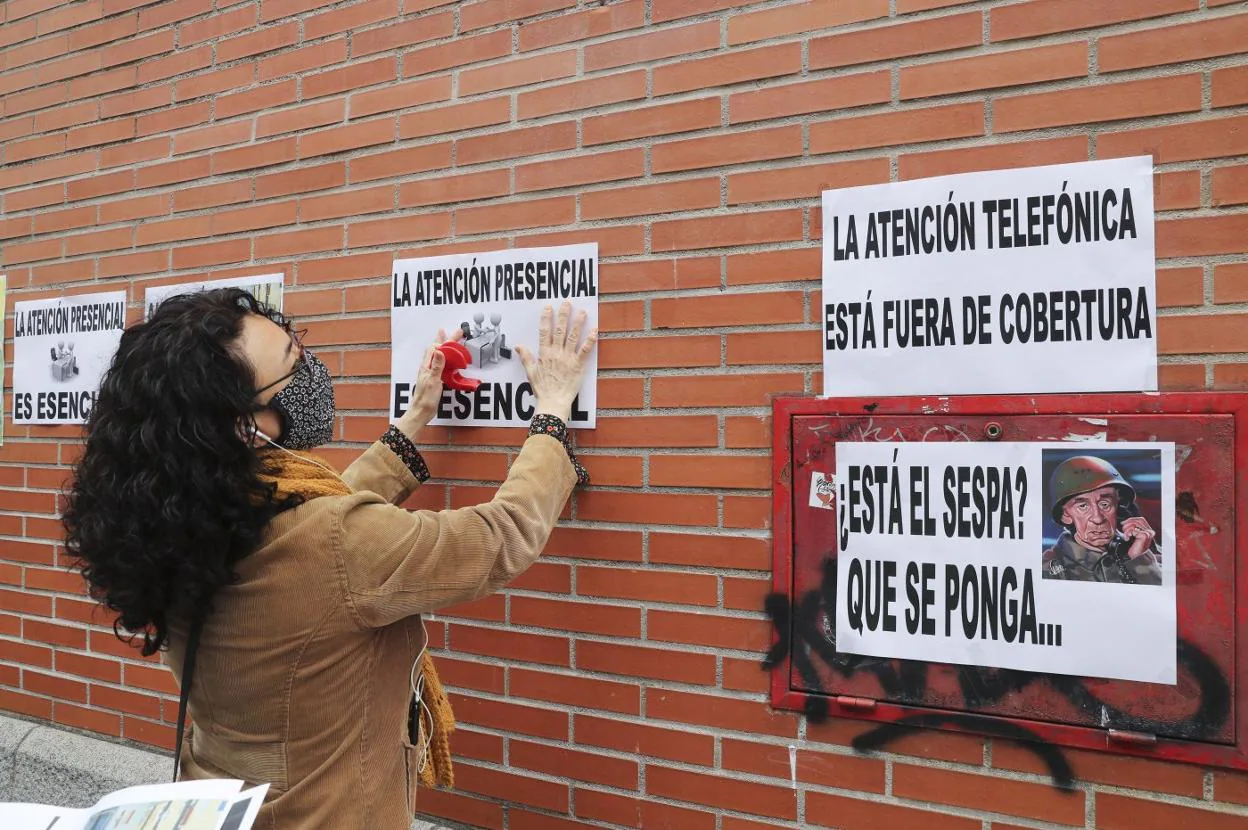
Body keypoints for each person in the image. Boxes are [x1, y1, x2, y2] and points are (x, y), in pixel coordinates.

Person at [62, 288, 597, 829]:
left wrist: (412, 423)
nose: (311, 368)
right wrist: (551, 417)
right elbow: (496, 539)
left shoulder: (181, 520)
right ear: (243, 425)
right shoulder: (331, 541)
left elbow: (311, 530)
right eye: (294, 365)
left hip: (226, 808)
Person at [1042, 455, 1161, 585]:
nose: (1098, 518)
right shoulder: (1048, 570)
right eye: (1083, 506)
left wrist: (1139, 559)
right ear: (1066, 515)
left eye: (1105, 504)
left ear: (1118, 504)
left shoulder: (1151, 558)